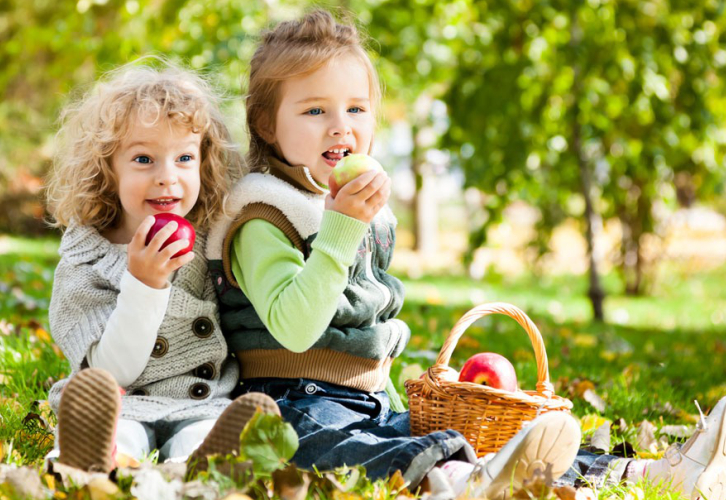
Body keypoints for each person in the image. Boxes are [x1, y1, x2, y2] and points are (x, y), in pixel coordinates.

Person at [205, 10, 726, 500]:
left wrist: (390, 393)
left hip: (363, 401)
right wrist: (341, 229)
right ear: (268, 124)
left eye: (356, 109)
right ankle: (464, 477)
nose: (340, 126)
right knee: (342, 451)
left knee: (471, 430)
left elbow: (365, 321)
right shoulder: (263, 217)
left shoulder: (348, 209)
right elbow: (297, 329)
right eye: (315, 110)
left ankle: (638, 471)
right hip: (291, 402)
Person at [44, 58, 278, 477]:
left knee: (203, 434)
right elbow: (112, 370)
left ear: (204, 163)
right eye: (143, 160)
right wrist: (144, 283)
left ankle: (206, 464)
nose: (167, 177)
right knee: (118, 431)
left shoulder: (214, 238)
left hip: (200, 400)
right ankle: (94, 458)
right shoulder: (88, 256)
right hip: (120, 398)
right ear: (106, 168)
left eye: (184, 158)